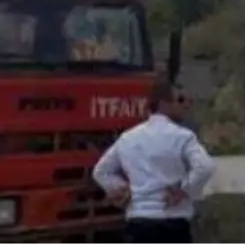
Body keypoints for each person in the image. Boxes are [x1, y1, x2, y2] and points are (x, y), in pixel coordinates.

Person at [91, 78, 215, 244]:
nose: (185, 105)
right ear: (163, 103)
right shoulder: (183, 137)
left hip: (138, 221)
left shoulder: (128, 138)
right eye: (180, 99)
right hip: (173, 222)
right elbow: (205, 167)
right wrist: (184, 189)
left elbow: (101, 172)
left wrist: (120, 188)